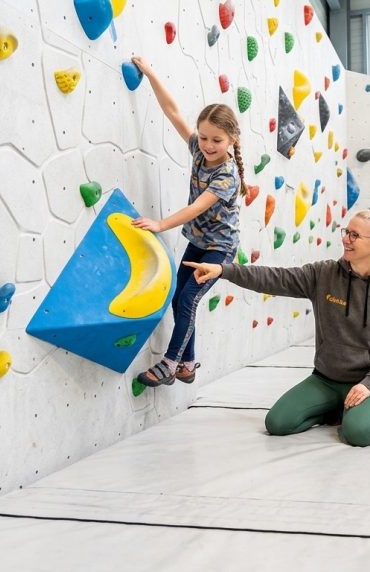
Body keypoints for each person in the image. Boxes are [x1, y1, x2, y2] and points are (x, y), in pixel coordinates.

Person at [184, 210, 370, 447]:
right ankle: (335, 408)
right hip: (326, 380)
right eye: (346, 232)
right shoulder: (324, 274)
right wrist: (224, 271)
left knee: (359, 434)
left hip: (366, 382)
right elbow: (276, 278)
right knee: (278, 423)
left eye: (355, 235)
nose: (346, 239)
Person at [130, 56, 246, 388]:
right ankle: (188, 363)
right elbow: (173, 111)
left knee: (189, 298)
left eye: (216, 140)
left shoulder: (227, 176)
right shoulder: (198, 147)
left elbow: (197, 207)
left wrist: (160, 224)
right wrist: (150, 72)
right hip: (198, 242)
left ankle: (170, 363)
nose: (208, 145)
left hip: (219, 250)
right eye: (204, 137)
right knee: (177, 296)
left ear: (232, 139)